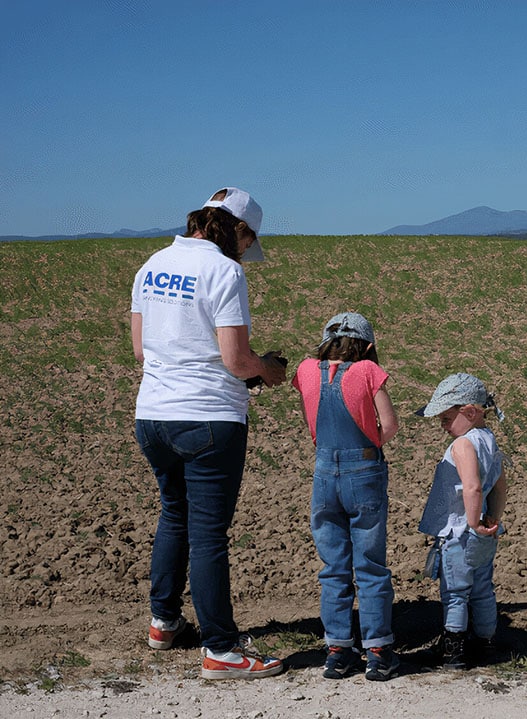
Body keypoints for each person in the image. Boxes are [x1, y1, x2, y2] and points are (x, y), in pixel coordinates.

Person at [131, 187, 287, 680]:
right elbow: (236, 360)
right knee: (209, 535)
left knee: (173, 514)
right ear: (238, 231)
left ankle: (164, 622)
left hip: (152, 416)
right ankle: (221, 649)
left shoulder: (151, 264)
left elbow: (140, 350)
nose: (247, 251)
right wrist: (268, 370)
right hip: (209, 419)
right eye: (249, 240)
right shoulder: (225, 272)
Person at [291, 312, 401, 681]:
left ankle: (338, 649)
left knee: (333, 566)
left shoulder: (307, 370)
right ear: (368, 346)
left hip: (324, 472)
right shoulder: (369, 372)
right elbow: (389, 425)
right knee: (369, 565)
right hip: (364, 472)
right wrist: (369, 448)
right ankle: (379, 651)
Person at [415, 373, 508, 669]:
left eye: (445, 418)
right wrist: (492, 517)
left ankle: (453, 653)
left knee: (455, 593)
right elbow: (500, 486)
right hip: (485, 530)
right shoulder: (489, 440)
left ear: (468, 412)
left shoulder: (462, 445)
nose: (443, 426)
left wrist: (472, 523)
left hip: (460, 532)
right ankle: (486, 645)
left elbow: (472, 487)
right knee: (482, 590)